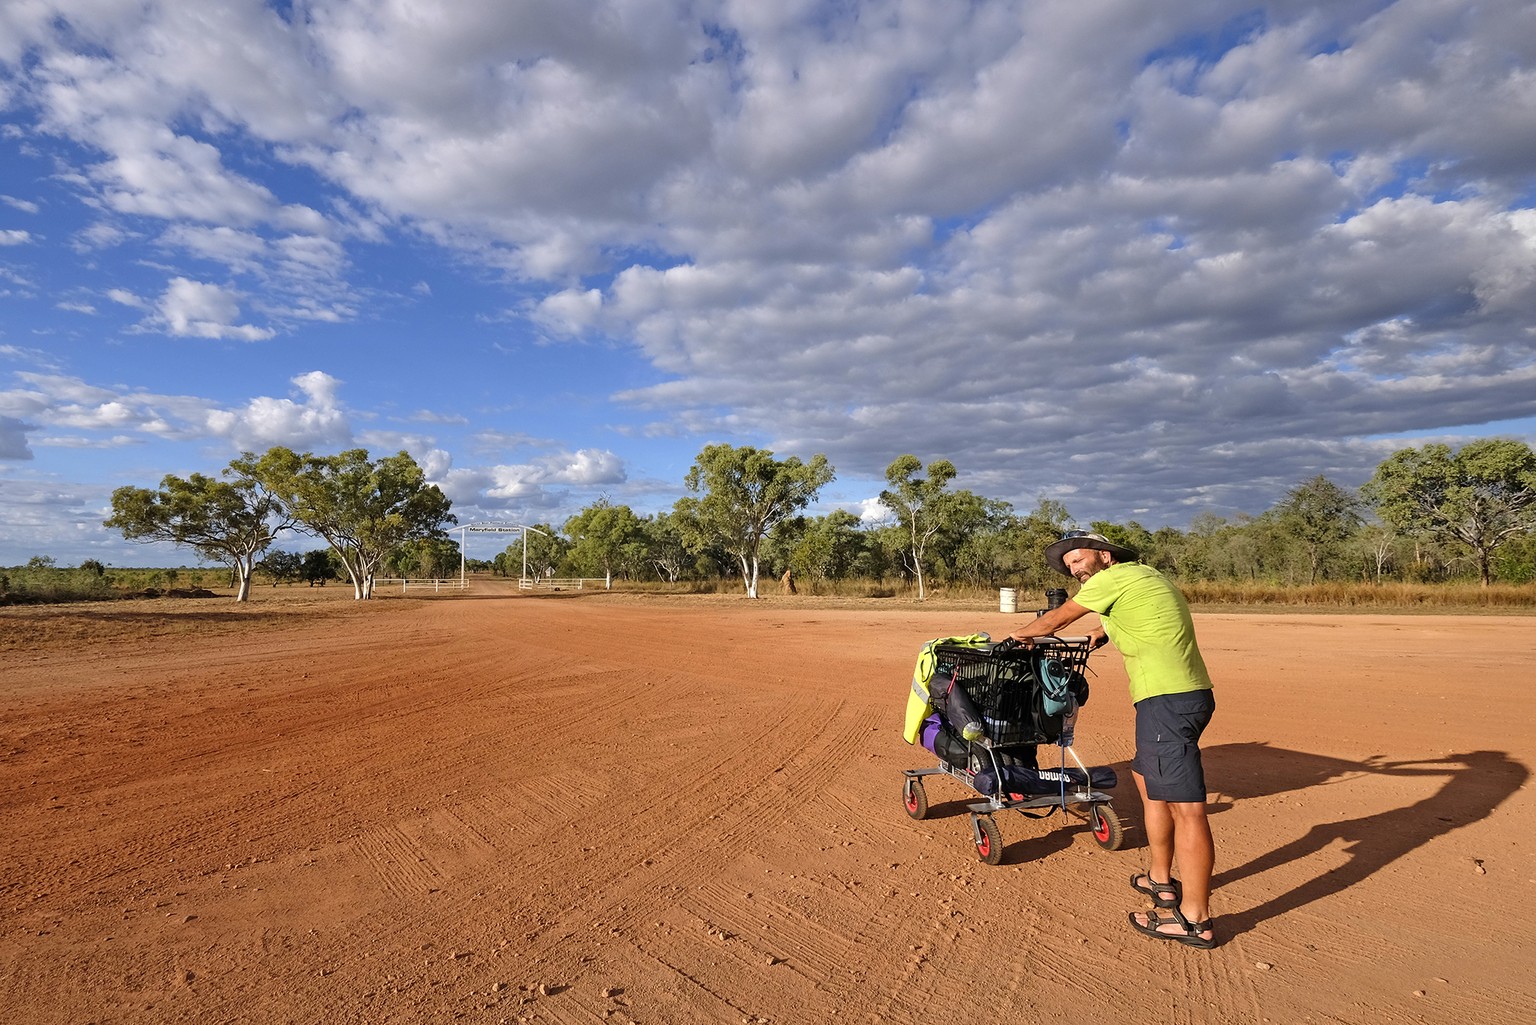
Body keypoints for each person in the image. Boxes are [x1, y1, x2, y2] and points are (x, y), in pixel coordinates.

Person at [1002, 530, 1217, 949]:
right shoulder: (1147, 577)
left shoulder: (1110, 579)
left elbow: (1057, 618)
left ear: (1104, 556)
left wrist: (1016, 637)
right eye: (1069, 567)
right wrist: (1104, 632)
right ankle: (1160, 878)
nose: (1075, 569)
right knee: (1145, 779)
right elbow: (1138, 614)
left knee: (1187, 809)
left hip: (1167, 701)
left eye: (1079, 560)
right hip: (1184, 696)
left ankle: (1195, 920)